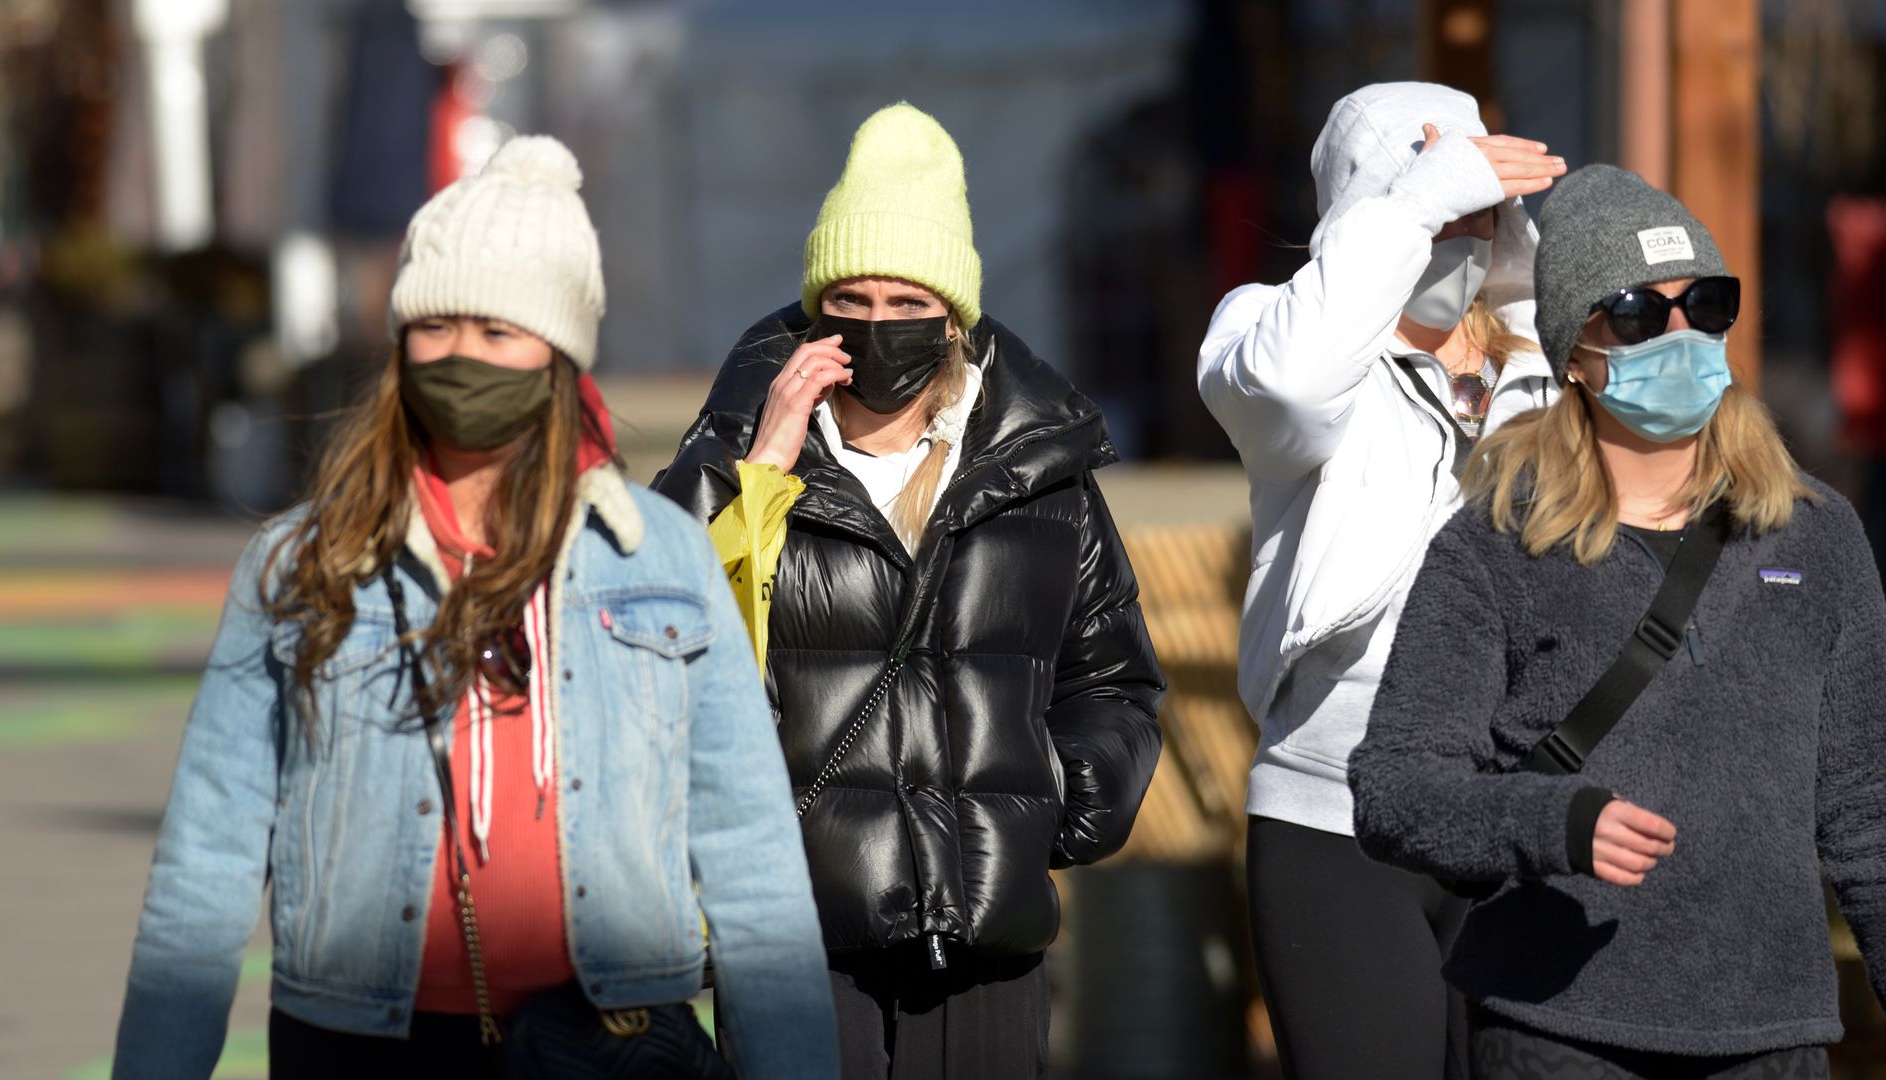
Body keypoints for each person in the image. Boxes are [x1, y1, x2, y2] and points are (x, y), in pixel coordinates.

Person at [113, 136, 838, 1079]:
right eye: (436, 326)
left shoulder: (658, 559)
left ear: (558, 357)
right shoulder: (300, 567)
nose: (462, 357)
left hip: (612, 1043)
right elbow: (205, 864)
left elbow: (753, 861)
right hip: (359, 1044)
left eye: (498, 332)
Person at [655, 102, 1164, 1078]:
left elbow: (1115, 681)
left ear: (953, 315)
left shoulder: (1039, 473)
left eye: (905, 304)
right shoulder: (728, 455)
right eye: (851, 301)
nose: (877, 327)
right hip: (789, 933)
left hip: (984, 936)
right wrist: (764, 468)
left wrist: (1057, 796)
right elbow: (668, 656)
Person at [1349, 164, 1886, 1078]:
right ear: (1574, 352)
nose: (1679, 333)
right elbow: (1395, 788)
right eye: (1637, 312)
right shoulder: (1493, 544)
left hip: (1774, 1033)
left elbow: (1868, 810)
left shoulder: (1819, 532)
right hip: (1556, 1029)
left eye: (1706, 304)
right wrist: (1551, 820)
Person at [1194, 82, 1567, 1080]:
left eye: (1477, 204)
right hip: (1334, 815)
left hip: (1518, 805)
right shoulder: (1268, 328)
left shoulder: (1542, 351)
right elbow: (1287, 387)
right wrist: (1405, 214)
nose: (1461, 228)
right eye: (1437, 205)